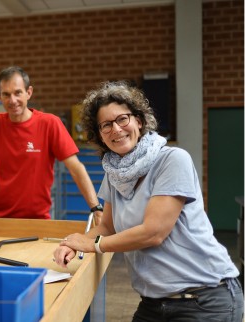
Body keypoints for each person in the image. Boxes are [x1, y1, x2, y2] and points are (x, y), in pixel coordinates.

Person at [53, 81, 243, 321]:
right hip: (154, 303)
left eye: (123, 119)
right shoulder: (114, 174)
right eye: (106, 125)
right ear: (100, 135)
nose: (116, 129)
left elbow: (154, 232)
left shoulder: (172, 160)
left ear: (139, 121)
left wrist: (93, 245)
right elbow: (107, 226)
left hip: (204, 299)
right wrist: (72, 244)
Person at [0, 66, 102, 229]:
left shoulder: (49, 123)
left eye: (17, 92)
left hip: (37, 220)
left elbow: (76, 168)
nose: (12, 100)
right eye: (6, 94)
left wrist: (96, 207)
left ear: (29, 92)